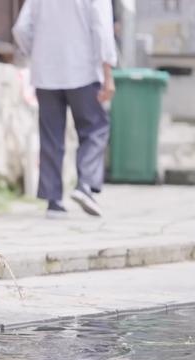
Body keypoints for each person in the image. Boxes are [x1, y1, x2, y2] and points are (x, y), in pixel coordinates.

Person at [13, 0, 117, 218]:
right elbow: (102, 30)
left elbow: (21, 28)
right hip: (83, 72)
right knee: (95, 129)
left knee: (51, 137)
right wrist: (108, 75)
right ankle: (85, 185)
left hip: (46, 73)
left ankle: (53, 202)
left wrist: (37, 53)